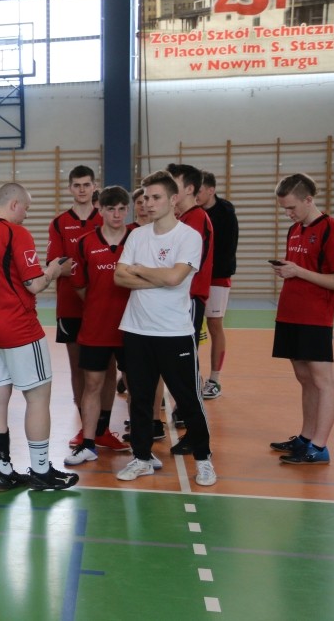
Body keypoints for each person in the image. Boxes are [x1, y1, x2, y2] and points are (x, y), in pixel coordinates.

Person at [0, 182, 78, 492]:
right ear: (14, 204)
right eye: (26, 208)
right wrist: (54, 270)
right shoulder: (16, 234)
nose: (26, 215)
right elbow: (34, 284)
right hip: (18, 329)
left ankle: (3, 472)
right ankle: (41, 470)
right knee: (38, 396)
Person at [113, 171, 216, 486]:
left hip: (174, 333)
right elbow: (119, 277)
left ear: (173, 200)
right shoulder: (137, 236)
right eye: (145, 197)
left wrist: (140, 270)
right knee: (140, 400)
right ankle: (142, 458)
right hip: (136, 330)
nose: (148, 203)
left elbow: (175, 278)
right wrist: (159, 276)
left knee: (188, 399)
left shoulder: (188, 237)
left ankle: (204, 460)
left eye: (155, 197)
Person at [269, 173, 334, 465]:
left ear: (308, 199)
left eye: (292, 207)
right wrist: (288, 270)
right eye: (284, 209)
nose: (288, 214)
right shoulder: (295, 229)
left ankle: (320, 446)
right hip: (290, 313)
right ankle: (306, 437)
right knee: (305, 379)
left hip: (315, 317)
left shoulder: (332, 229)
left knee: (322, 381)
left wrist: (298, 271)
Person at [64, 186, 133, 466]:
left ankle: (141, 447)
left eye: (121, 209)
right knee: (92, 384)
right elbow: (80, 285)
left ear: (126, 210)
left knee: (135, 385)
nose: (117, 214)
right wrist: (97, 304)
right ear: (100, 210)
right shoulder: (85, 243)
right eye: (111, 209)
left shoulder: (138, 238)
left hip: (132, 327)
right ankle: (88, 444)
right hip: (96, 327)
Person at [48, 165, 102, 443]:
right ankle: (85, 424)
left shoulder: (104, 219)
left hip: (103, 307)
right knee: (77, 367)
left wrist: (76, 266)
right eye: (77, 185)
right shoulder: (59, 223)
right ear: (70, 188)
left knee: (105, 368)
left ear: (95, 186)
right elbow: (56, 266)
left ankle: (102, 427)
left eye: (86, 184)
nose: (82, 189)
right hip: (70, 306)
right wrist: (95, 266)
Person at [167, 163, 214, 429]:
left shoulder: (196, 218)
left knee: (186, 357)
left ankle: (191, 413)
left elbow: (186, 263)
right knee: (178, 357)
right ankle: (184, 408)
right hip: (178, 298)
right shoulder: (182, 218)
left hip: (190, 297)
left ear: (189, 189)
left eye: (174, 183)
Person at [196, 171, 239, 399]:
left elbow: (226, 250)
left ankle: (214, 379)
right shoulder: (192, 211)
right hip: (193, 276)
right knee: (189, 326)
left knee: (214, 324)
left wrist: (207, 271)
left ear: (211, 190)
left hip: (217, 277)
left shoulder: (225, 213)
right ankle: (192, 376)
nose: (195, 194)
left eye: (200, 190)